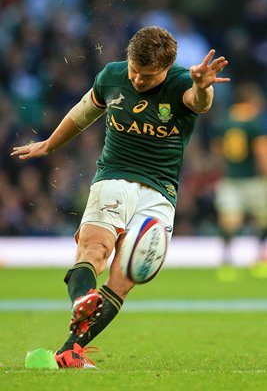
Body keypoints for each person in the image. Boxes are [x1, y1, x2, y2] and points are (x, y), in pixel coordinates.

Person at [11, 26, 230, 368]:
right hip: (113, 178)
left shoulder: (183, 82)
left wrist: (203, 88)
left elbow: (198, 102)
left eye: (147, 76)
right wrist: (50, 144)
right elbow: (82, 113)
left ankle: (70, 350)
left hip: (159, 194)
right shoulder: (111, 75)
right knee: (93, 249)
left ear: (167, 67)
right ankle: (82, 298)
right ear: (127, 59)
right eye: (134, 71)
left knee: (123, 280)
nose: (138, 81)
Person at [211, 82, 267, 281]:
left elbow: (217, 151)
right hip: (252, 178)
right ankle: (260, 260)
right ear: (251, 101)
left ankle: (227, 263)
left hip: (230, 178)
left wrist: (223, 171)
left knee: (229, 221)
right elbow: (261, 151)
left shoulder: (224, 121)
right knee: (261, 219)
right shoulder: (254, 123)